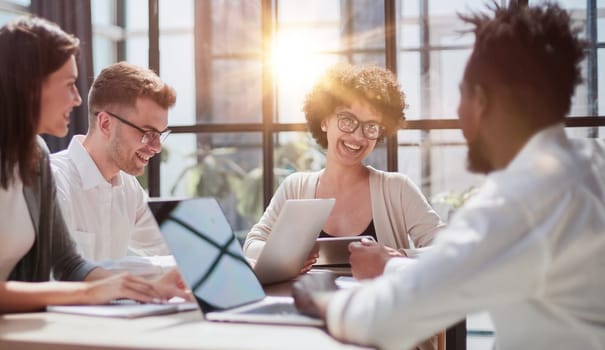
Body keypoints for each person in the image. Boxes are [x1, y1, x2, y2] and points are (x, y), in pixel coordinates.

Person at [292, 2, 605, 349]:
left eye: (460, 95)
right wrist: (393, 265)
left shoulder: (517, 202)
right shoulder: (595, 163)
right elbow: (459, 272)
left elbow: (382, 321)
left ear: (479, 101)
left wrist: (320, 298)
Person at [0, 16, 187, 313]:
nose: (77, 99)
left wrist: (142, 289)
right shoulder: (59, 175)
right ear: (31, 86)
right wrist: (93, 291)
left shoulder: (35, 155)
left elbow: (69, 263)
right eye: (69, 84)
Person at [243, 63, 444, 276]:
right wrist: (287, 255)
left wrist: (398, 257)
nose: (358, 136)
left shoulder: (397, 188)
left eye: (371, 126)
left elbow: (445, 248)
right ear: (324, 121)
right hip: (308, 307)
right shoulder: (296, 187)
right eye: (348, 120)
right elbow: (252, 245)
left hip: (377, 308)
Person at [51, 61, 173, 265]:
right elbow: (60, 280)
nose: (157, 147)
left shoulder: (128, 187)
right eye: (148, 133)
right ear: (106, 124)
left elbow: (170, 246)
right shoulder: (55, 183)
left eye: (161, 134)